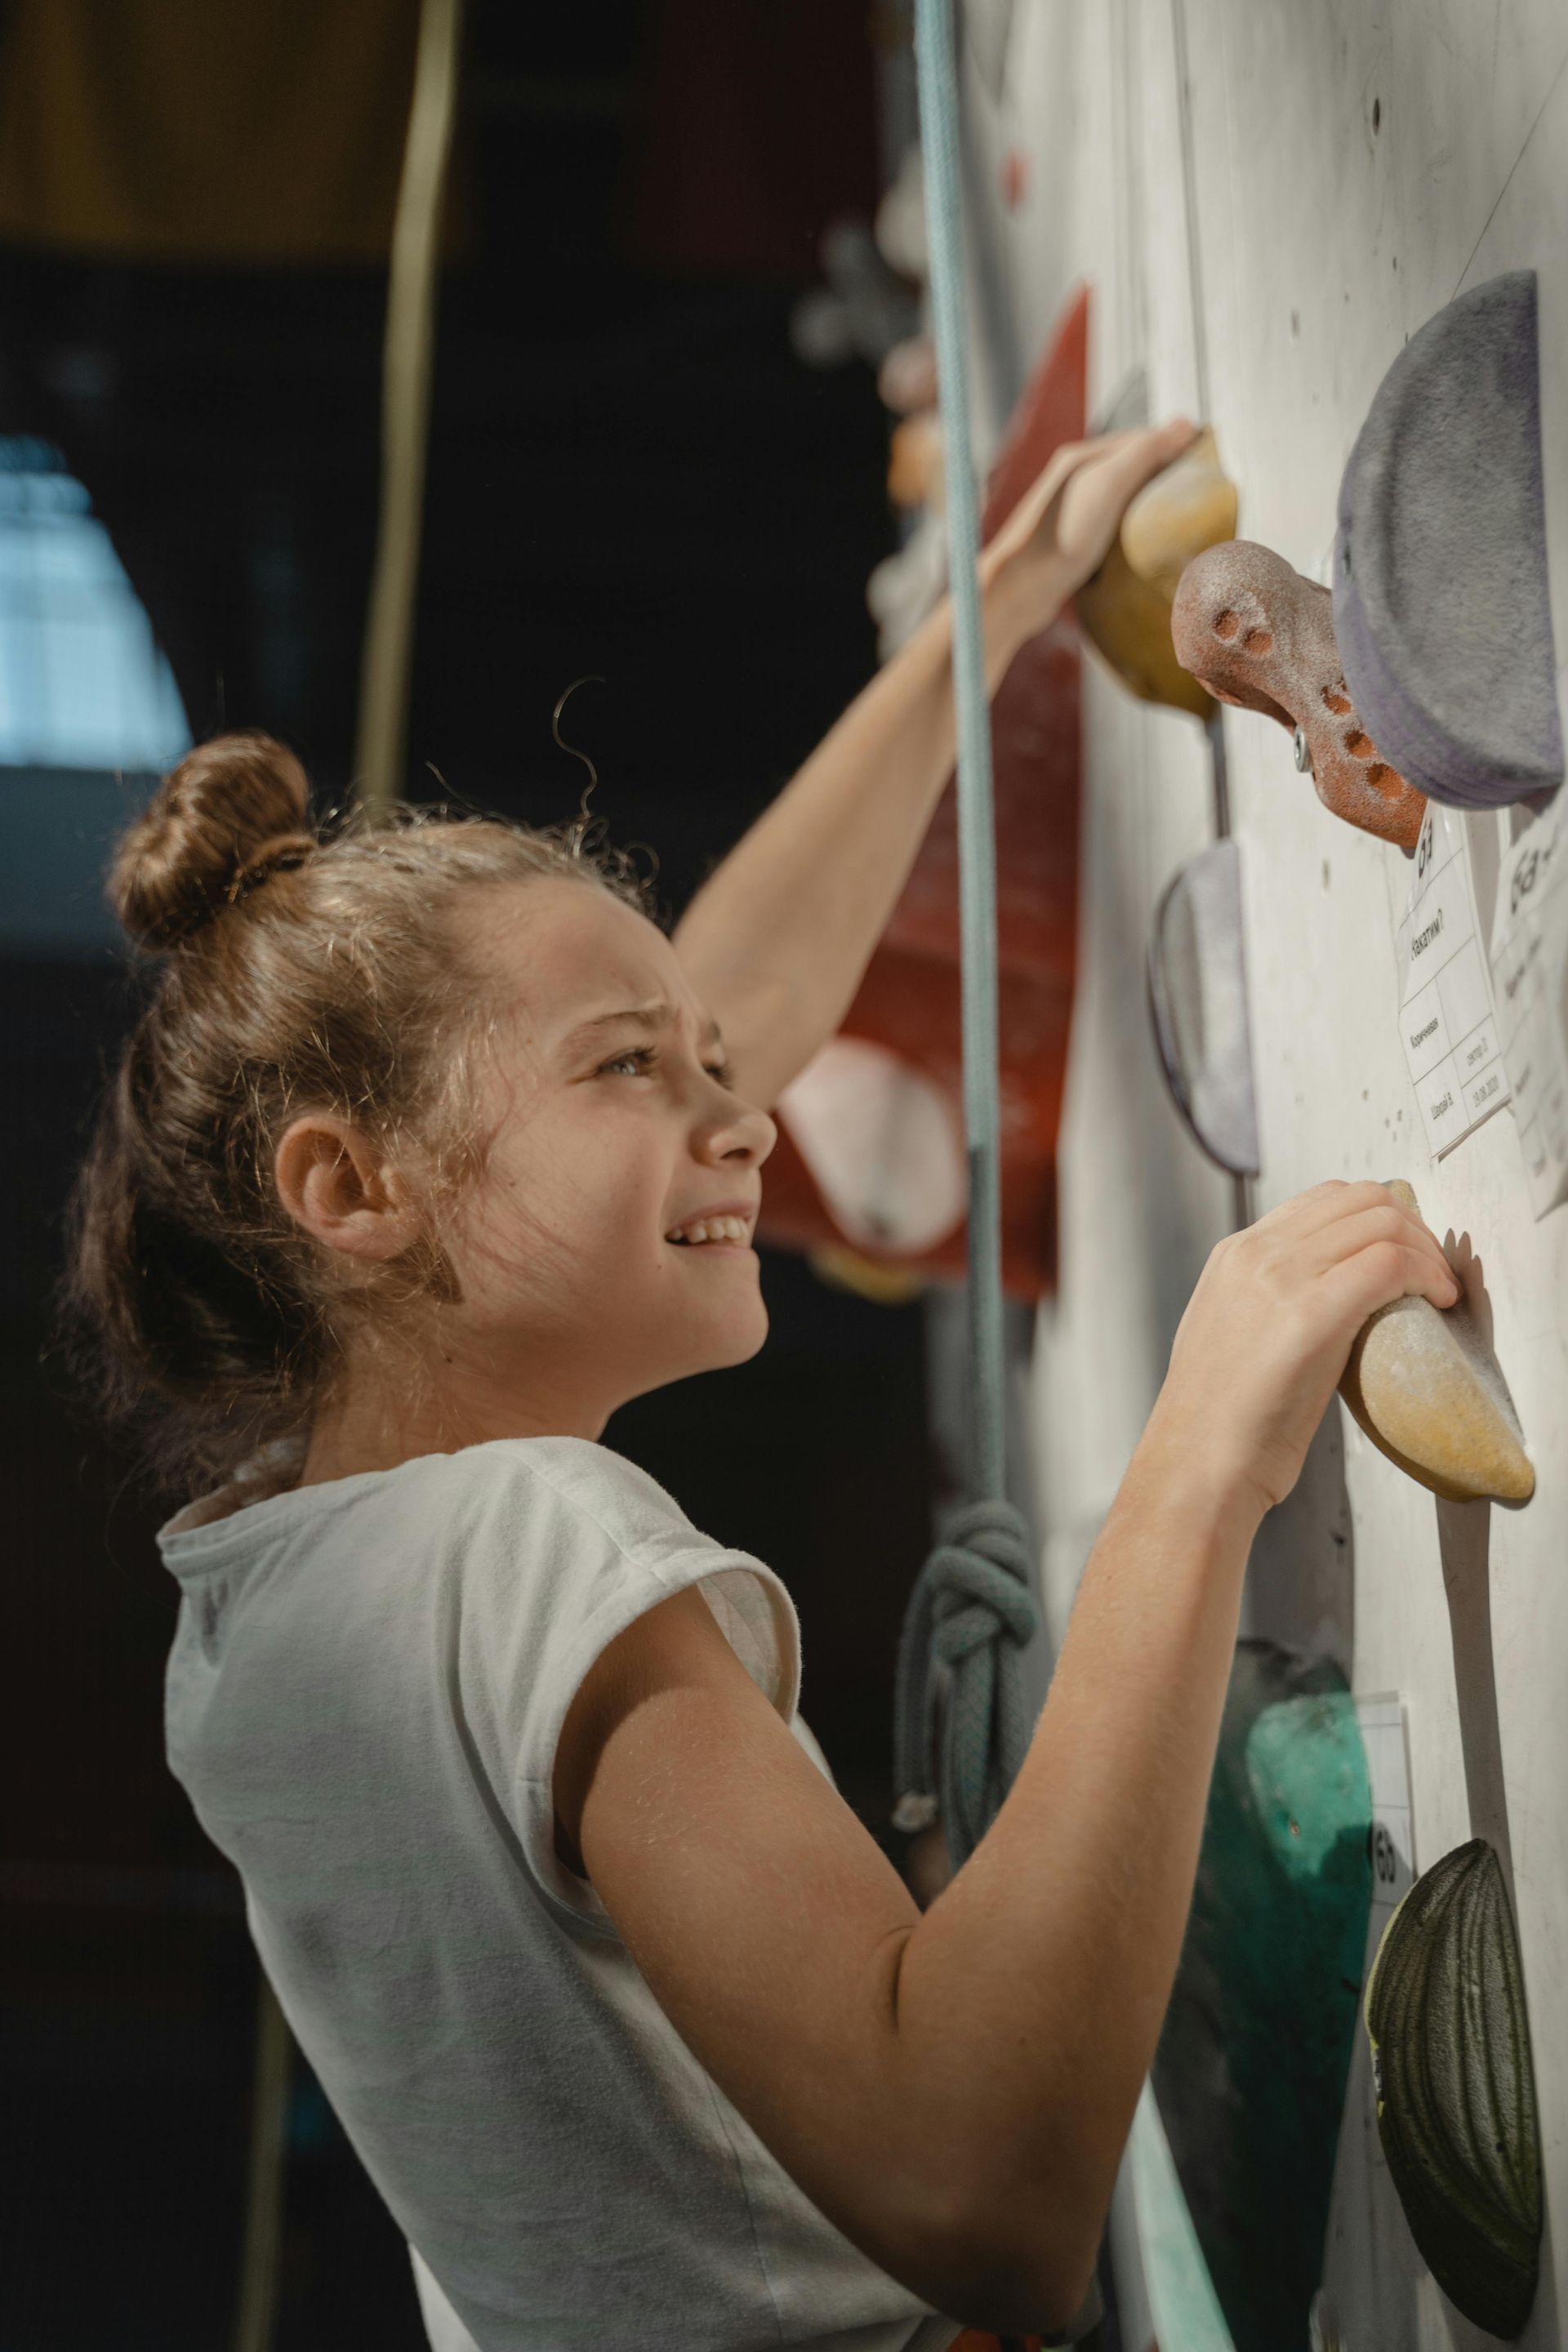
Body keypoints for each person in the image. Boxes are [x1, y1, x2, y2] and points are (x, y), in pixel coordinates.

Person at [65, 421, 1459, 2352]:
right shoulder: (527, 1538)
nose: (747, 1124)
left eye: (710, 1067)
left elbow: (728, 998)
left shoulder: (258, 1599)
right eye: (639, 1070)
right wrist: (1198, 1457)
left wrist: (990, 617)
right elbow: (987, 2192)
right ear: (349, 1188)